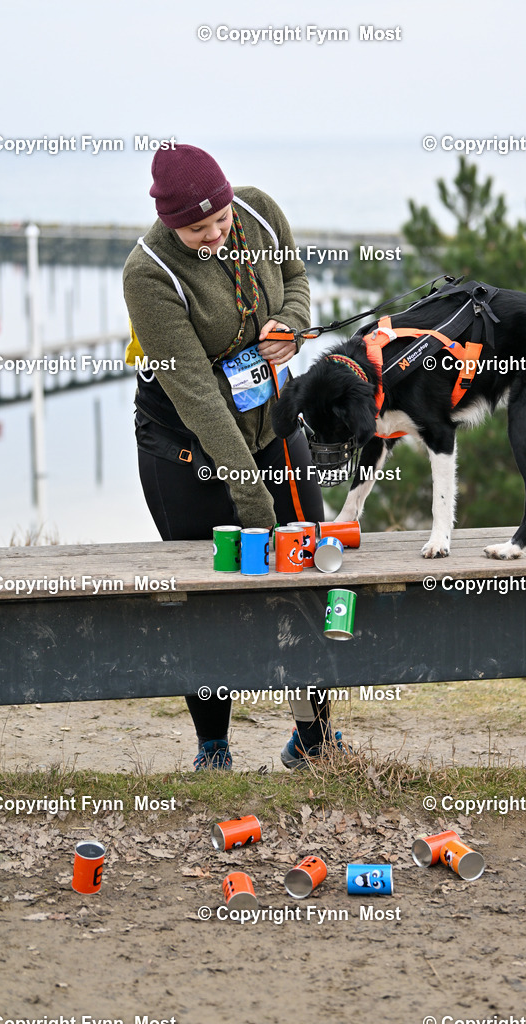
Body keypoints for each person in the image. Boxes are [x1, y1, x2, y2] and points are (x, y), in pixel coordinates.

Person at [123, 144, 345, 771]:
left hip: (274, 421)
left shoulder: (259, 212)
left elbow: (296, 280)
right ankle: (213, 747)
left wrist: (290, 325)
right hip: (186, 447)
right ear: (169, 223)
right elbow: (196, 393)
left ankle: (312, 738)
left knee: (307, 572)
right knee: (210, 592)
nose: (216, 234)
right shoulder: (148, 275)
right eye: (198, 229)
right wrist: (251, 496)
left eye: (220, 219)